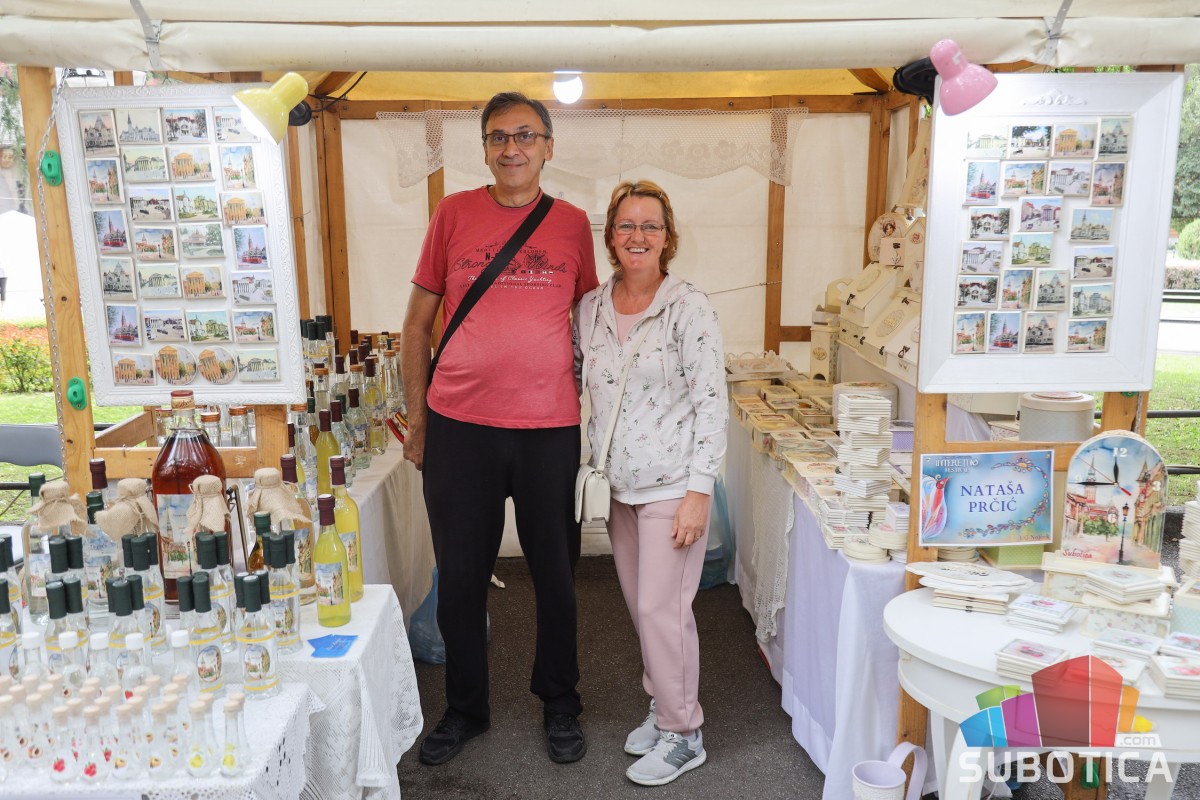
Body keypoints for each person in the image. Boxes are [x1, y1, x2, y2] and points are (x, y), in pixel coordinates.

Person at [400, 92, 598, 767]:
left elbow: (594, 327)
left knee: (557, 577)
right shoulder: (452, 214)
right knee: (460, 578)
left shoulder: (572, 225)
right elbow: (416, 325)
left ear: (548, 146)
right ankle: (465, 707)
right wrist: (419, 422)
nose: (511, 148)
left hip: (549, 428)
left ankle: (561, 701)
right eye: (497, 138)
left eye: (525, 136)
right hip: (459, 426)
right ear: (484, 149)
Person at [573, 180, 728, 786]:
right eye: (627, 225)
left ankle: (684, 732)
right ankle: (666, 703)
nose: (638, 236)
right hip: (620, 486)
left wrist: (699, 492)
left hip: (673, 487)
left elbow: (712, 404)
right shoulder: (590, 307)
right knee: (646, 612)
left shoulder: (688, 307)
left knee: (662, 610)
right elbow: (574, 381)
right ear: (611, 236)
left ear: (668, 237)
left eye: (651, 226)